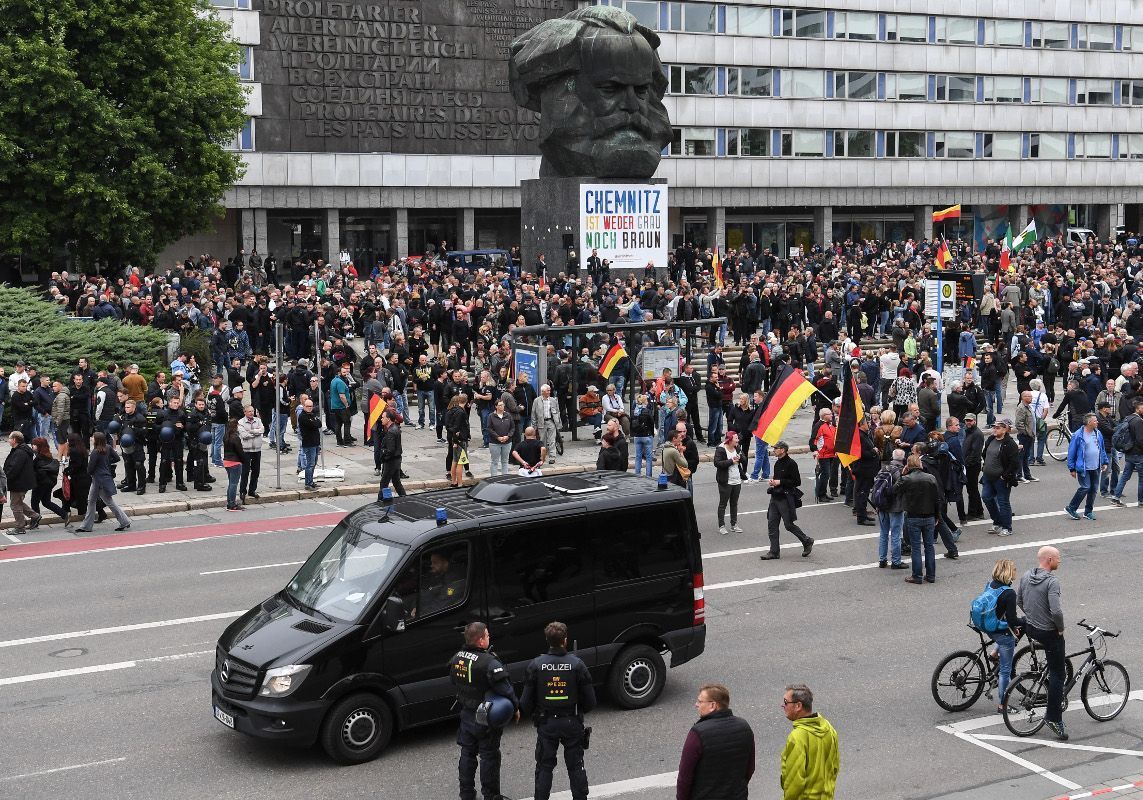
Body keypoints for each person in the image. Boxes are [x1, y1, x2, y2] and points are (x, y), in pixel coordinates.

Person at [520, 621, 596, 800]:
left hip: (546, 724)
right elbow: (591, 701)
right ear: (565, 640)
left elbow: (524, 702)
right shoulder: (577, 665)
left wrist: (537, 714)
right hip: (572, 723)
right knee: (576, 766)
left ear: (548, 640)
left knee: (544, 767)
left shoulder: (536, 665)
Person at [448, 621, 518, 800]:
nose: (489, 637)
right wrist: (516, 707)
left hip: (466, 714)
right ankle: (491, 796)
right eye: (487, 635)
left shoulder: (457, 657)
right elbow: (506, 689)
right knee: (489, 756)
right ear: (480, 641)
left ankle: (466, 794)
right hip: (485, 716)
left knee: (467, 754)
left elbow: (453, 681)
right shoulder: (489, 662)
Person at [1017, 546, 1068, 740]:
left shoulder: (1026, 575)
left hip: (1031, 628)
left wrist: (1032, 616)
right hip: (1049, 632)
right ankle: (1054, 718)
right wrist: (1060, 628)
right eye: (1057, 558)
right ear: (1048, 560)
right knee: (1058, 674)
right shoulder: (1052, 582)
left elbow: (1020, 600)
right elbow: (1056, 611)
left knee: (1052, 659)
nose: (1060, 561)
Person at [676, 683, 755, 800]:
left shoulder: (697, 733)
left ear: (713, 705)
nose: (696, 705)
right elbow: (750, 768)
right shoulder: (744, 727)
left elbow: (685, 777)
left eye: (700, 701)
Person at [780, 684, 840, 800]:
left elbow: (794, 783)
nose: (782, 705)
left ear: (798, 706)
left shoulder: (797, 737)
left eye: (786, 702)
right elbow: (835, 767)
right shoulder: (829, 728)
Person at [760, 441, 813, 560]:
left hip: (785, 498)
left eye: (776, 448)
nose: (774, 450)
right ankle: (774, 552)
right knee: (772, 524)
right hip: (775, 497)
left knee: (788, 525)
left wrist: (780, 482)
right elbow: (777, 479)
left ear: (783, 450)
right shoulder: (777, 463)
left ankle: (807, 541)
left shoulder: (791, 464)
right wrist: (773, 483)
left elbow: (797, 481)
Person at [983, 559, 1024, 713]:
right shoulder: (1009, 593)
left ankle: (994, 654)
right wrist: (1024, 622)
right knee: (1005, 671)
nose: (1016, 571)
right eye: (1014, 569)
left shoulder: (991, 584)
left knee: (1008, 633)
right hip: (998, 631)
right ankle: (1002, 705)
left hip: (986, 625)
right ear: (1008, 573)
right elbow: (1013, 620)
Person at [74, 432, 131, 532]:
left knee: (107, 502)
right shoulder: (108, 447)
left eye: (93, 438)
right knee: (91, 501)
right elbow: (117, 458)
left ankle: (124, 521)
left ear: (96, 440)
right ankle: (86, 526)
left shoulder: (95, 452)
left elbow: (90, 469)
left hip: (98, 480)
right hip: (103, 478)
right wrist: (106, 464)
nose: (91, 439)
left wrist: (95, 469)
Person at [898, 453, 939, 585]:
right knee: (929, 546)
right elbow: (936, 499)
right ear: (920, 464)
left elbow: (894, 490)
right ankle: (931, 575)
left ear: (908, 465)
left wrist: (903, 475)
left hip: (913, 516)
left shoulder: (907, 479)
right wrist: (937, 515)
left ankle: (917, 575)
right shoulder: (931, 478)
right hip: (929, 516)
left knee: (916, 547)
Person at [981, 419, 1021, 537]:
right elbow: (985, 454)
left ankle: (1007, 527)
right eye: (994, 427)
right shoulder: (990, 439)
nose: (995, 429)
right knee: (986, 497)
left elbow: (1014, 463)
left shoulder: (1009, 444)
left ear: (1005, 430)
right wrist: (985, 467)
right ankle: (997, 521)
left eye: (998, 428)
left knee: (1003, 502)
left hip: (1001, 479)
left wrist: (1005, 475)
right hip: (988, 476)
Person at [1064, 413, 1108, 521]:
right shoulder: (1078, 435)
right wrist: (1072, 468)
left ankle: (1088, 512)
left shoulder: (1097, 433)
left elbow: (1101, 449)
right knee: (1085, 487)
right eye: (1095, 421)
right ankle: (1071, 507)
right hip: (1084, 467)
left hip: (1096, 466)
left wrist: (1104, 462)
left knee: (1093, 490)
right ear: (1089, 423)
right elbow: (1071, 452)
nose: (1097, 422)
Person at [874, 449, 907, 569]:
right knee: (896, 534)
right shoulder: (901, 471)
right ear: (903, 458)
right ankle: (896, 561)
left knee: (883, 533)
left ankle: (882, 560)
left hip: (882, 505)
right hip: (896, 506)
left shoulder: (883, 468)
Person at [1109, 395, 1143, 507]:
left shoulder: (1128, 418)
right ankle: (1141, 501)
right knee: (1142, 478)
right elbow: (1140, 439)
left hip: (1128, 452)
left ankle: (1115, 497)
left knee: (1125, 476)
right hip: (1138, 453)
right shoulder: (1138, 421)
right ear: (1138, 408)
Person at [3, 431, 40, 534]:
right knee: (18, 503)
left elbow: (14, 469)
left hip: (19, 483)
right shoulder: (21, 450)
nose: (8, 440)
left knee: (15, 505)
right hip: (21, 482)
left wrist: (5, 479)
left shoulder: (20, 452)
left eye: (10, 439)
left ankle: (20, 527)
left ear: (14, 440)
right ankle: (35, 516)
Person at [714, 431, 743, 535]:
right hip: (726, 481)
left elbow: (743, 458)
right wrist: (731, 461)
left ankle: (734, 525)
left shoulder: (737, 447)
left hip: (737, 480)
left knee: (734, 503)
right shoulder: (721, 449)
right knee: (723, 504)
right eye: (736, 439)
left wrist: (740, 458)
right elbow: (717, 463)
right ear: (730, 440)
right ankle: (721, 526)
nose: (738, 440)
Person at [29, 436, 65, 523]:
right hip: (49, 483)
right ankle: (64, 514)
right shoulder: (48, 455)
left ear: (39, 446)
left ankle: (35, 521)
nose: (32, 446)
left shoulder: (39, 459)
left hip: (40, 484)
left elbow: (39, 473)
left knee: (34, 502)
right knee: (46, 502)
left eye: (33, 445)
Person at [376, 410, 407, 499]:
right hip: (396, 460)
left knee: (384, 483)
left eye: (383, 417)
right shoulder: (395, 428)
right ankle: (404, 498)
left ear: (388, 419)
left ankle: (379, 502)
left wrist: (384, 456)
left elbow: (390, 450)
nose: (381, 419)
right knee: (396, 482)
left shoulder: (391, 432)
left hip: (391, 461)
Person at [237, 404, 264, 503]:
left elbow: (262, 430)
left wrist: (251, 431)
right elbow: (244, 435)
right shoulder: (241, 422)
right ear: (245, 412)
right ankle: (242, 491)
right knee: (245, 472)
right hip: (246, 450)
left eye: (252, 411)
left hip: (257, 449)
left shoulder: (258, 420)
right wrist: (256, 433)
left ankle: (252, 490)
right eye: (249, 411)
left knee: (256, 471)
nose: (252, 413)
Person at [961, 414, 986, 520]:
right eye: (966, 420)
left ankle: (973, 512)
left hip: (973, 465)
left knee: (972, 489)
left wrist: (966, 464)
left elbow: (975, 452)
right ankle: (979, 511)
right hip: (968, 464)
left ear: (974, 421)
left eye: (970, 420)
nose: (968, 422)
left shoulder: (977, 434)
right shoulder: (968, 431)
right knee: (972, 489)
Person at [531, 384, 562, 465]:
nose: (549, 392)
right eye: (547, 390)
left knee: (552, 440)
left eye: (549, 390)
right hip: (541, 423)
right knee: (542, 441)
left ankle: (552, 457)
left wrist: (558, 422)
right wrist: (534, 426)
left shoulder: (553, 400)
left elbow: (557, 411)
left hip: (551, 422)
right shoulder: (537, 401)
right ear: (543, 392)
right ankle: (541, 457)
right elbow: (533, 414)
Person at [298, 396, 321, 490]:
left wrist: (314, 421)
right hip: (309, 443)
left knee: (314, 463)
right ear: (304, 406)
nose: (310, 408)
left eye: (311, 406)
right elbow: (313, 425)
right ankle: (308, 483)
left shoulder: (312, 414)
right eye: (308, 406)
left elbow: (319, 424)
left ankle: (311, 481)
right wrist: (314, 421)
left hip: (315, 443)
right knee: (310, 464)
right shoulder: (303, 416)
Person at [631, 393, 656, 477]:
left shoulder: (634, 411)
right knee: (648, 458)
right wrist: (652, 434)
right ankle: (648, 476)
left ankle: (637, 474)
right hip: (647, 435)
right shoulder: (647, 411)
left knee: (638, 457)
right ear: (645, 402)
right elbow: (651, 423)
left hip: (637, 436)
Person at [487, 400, 514, 477]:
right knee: (494, 462)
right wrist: (497, 437)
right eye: (500, 405)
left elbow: (512, 427)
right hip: (494, 443)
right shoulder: (491, 416)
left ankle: (504, 478)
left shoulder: (508, 415)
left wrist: (508, 436)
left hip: (507, 442)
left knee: (505, 461)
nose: (502, 406)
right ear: (496, 406)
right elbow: (489, 429)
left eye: (502, 405)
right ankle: (493, 479)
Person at [222, 419, 244, 511]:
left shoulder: (226, 436)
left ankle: (229, 502)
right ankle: (232, 503)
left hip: (227, 461)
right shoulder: (235, 437)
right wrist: (244, 460)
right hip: (235, 461)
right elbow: (240, 451)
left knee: (231, 483)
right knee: (234, 484)